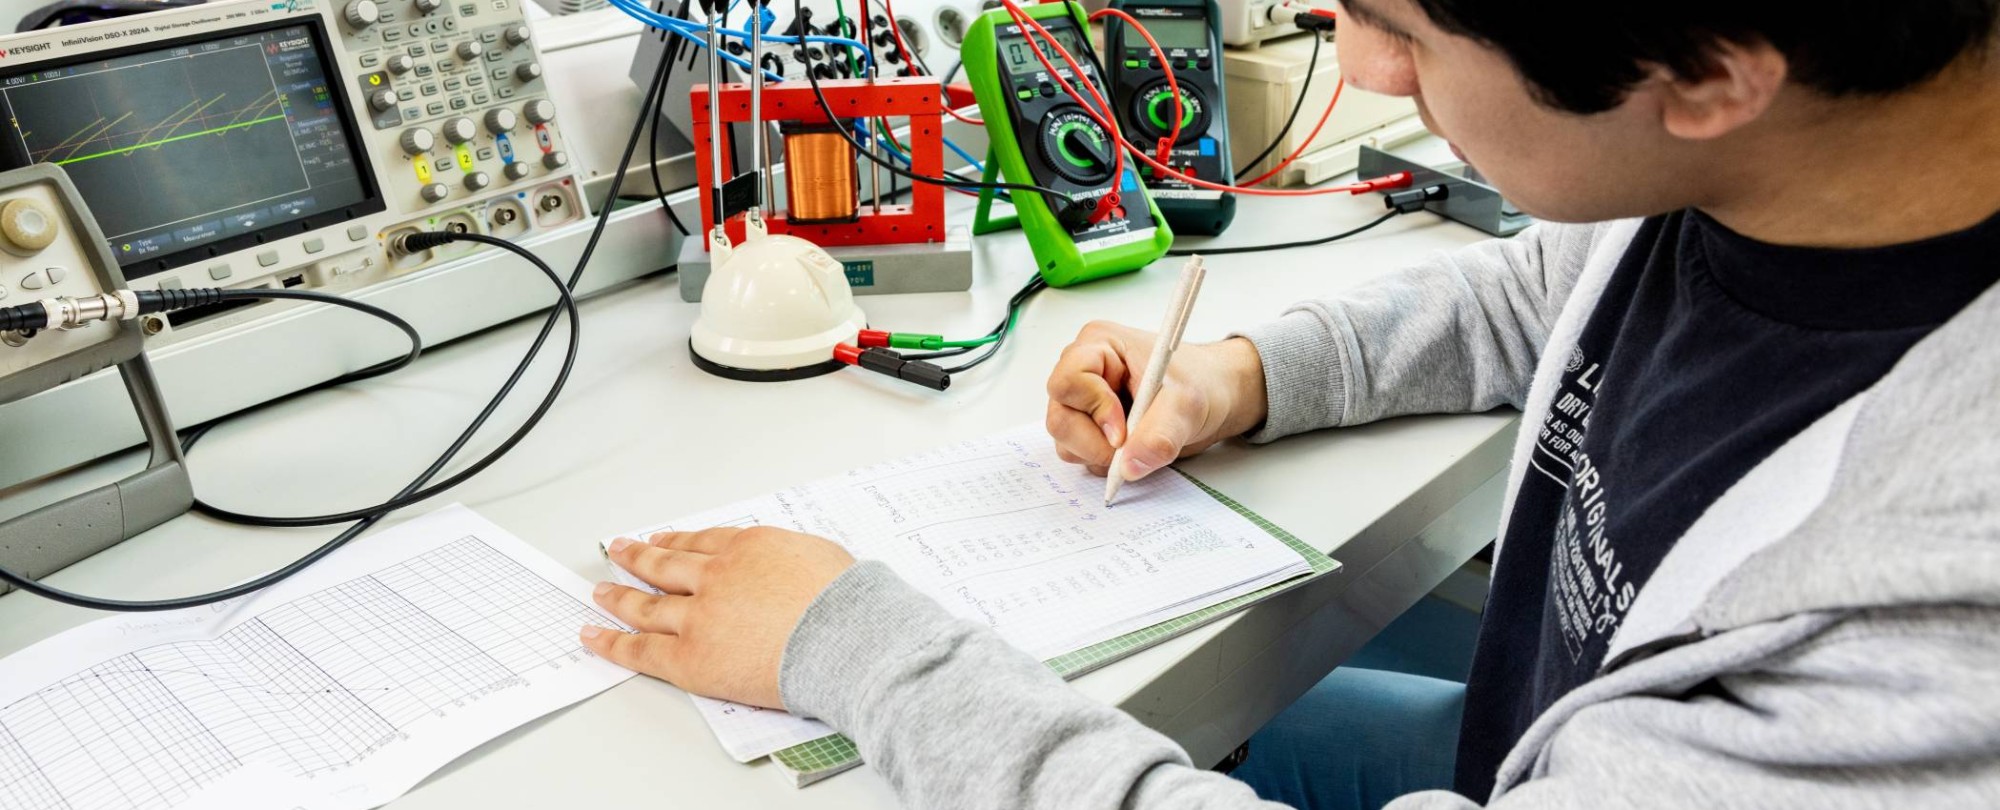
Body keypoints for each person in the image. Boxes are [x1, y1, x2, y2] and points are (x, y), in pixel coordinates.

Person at [578, 0, 2000, 806]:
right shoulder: (1781, 167)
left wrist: (866, 648)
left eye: (1407, 32)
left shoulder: (1924, 632)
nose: (1368, 67)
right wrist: (1234, 379)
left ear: (1707, 73)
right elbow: (1534, 297)